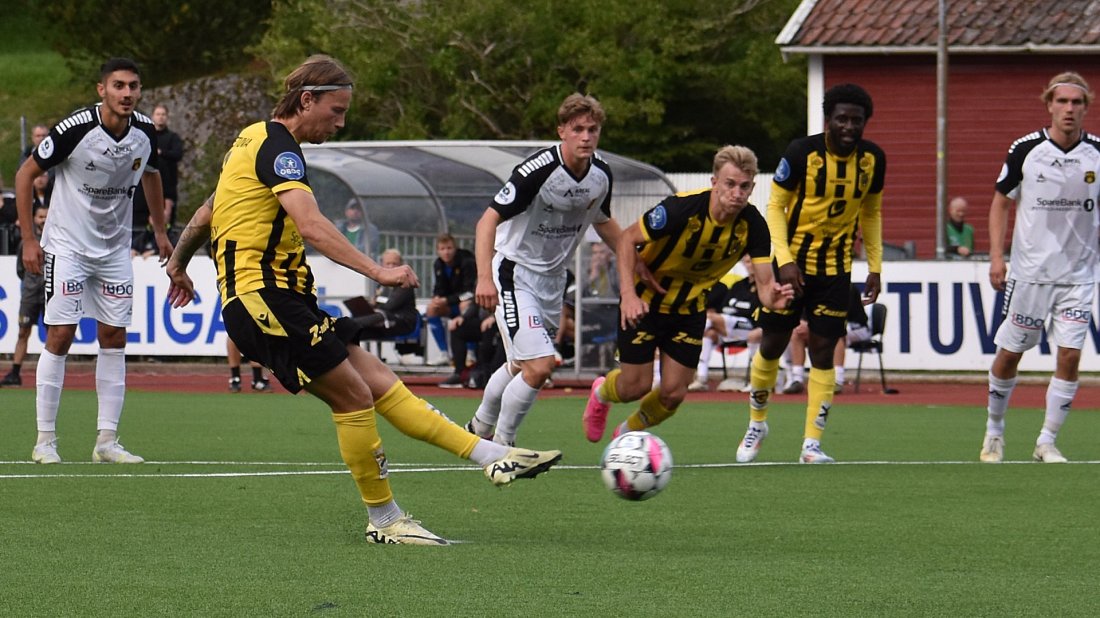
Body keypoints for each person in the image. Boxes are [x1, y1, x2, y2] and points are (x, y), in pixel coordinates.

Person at [165, 55, 561, 545]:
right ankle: (385, 519)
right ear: (305, 100)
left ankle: (492, 456)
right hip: (263, 298)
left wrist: (178, 263)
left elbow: (207, 211)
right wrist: (379, 271)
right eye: (335, 110)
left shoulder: (249, 140)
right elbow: (310, 225)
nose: (341, 122)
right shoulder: (278, 148)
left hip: (286, 299)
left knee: (380, 383)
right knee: (353, 398)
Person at [14, 57, 173, 464]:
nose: (126, 93)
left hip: (115, 249)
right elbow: (25, 174)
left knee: (114, 337)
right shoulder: (74, 129)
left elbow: (152, 175)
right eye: (118, 85)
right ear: (102, 90)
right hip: (67, 246)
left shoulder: (144, 132)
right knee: (61, 335)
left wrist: (158, 231)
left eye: (133, 86)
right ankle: (45, 441)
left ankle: (106, 441)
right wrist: (29, 239)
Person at [582, 145, 793, 442]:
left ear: (752, 187)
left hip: (689, 310)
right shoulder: (681, 209)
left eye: (744, 186)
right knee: (634, 387)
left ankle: (626, 438)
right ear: (714, 182)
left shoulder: (754, 226)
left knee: (673, 394)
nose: (737, 193)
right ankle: (602, 394)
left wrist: (776, 299)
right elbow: (628, 239)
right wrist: (628, 296)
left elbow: (765, 287)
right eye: (730, 184)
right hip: (644, 304)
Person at [734, 83, 886, 465]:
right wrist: (783, 259)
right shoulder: (801, 152)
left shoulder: (873, 160)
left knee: (823, 351)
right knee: (772, 343)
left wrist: (875, 266)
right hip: (792, 267)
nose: (849, 126)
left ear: (865, 122)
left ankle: (811, 444)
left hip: (836, 270)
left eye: (857, 120)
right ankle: (757, 423)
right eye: (842, 119)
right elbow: (775, 207)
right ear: (828, 120)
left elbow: (871, 213)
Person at [463, 92, 624, 447]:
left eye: (592, 129)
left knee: (521, 366)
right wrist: (484, 277)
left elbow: (605, 223)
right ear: (562, 131)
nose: (586, 136)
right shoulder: (536, 171)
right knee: (539, 366)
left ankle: (478, 427)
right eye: (578, 128)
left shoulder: (601, 175)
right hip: (514, 273)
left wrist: (636, 264)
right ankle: (504, 448)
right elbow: (487, 221)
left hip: (552, 281)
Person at [979, 72, 1100, 464]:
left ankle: (1046, 441)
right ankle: (994, 431)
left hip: (1079, 276)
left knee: (1069, 356)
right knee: (1011, 354)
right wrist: (997, 257)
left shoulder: (1097, 154)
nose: (1069, 109)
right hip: (1030, 274)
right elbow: (1001, 201)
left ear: (1086, 107)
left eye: (1076, 102)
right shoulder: (1026, 149)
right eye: (1061, 101)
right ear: (1049, 104)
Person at [689, 255, 762, 392]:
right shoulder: (738, 285)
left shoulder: (762, 286)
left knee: (711, 317)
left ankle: (689, 335)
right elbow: (724, 308)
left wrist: (737, 310)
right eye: (747, 261)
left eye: (753, 261)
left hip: (750, 326)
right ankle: (701, 378)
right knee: (709, 333)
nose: (750, 265)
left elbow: (752, 311)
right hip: (730, 327)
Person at [782, 284, 871, 395]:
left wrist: (812, 327)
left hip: (856, 327)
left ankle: (837, 380)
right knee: (797, 333)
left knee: (834, 333)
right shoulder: (810, 288)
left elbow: (840, 318)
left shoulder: (843, 287)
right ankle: (797, 379)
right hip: (823, 326)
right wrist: (804, 324)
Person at [1, 204, 49, 387]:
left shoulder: (58, 239)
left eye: (46, 216)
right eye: (40, 217)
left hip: (50, 294)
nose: (43, 220)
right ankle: (14, 372)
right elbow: (21, 270)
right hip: (30, 293)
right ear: (35, 219)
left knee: (52, 334)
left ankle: (48, 374)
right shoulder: (27, 242)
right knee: (23, 331)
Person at [346, 248, 420, 340]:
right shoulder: (382, 284)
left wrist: (374, 309)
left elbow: (390, 306)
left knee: (379, 317)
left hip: (402, 322)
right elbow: (377, 303)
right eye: (388, 264)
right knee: (356, 333)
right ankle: (345, 333)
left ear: (401, 264)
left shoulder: (405, 284)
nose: (391, 267)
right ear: (382, 264)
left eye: (394, 263)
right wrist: (369, 306)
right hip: (384, 322)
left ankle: (343, 326)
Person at [426, 233, 476, 367]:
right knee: (431, 309)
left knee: (464, 305)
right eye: (442, 249)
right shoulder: (438, 264)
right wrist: (437, 297)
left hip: (468, 302)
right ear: (438, 251)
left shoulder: (467, 261)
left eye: (449, 248)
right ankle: (444, 353)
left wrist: (447, 300)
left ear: (455, 248)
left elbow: (470, 291)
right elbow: (439, 286)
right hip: (450, 303)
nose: (446, 252)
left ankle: (471, 352)